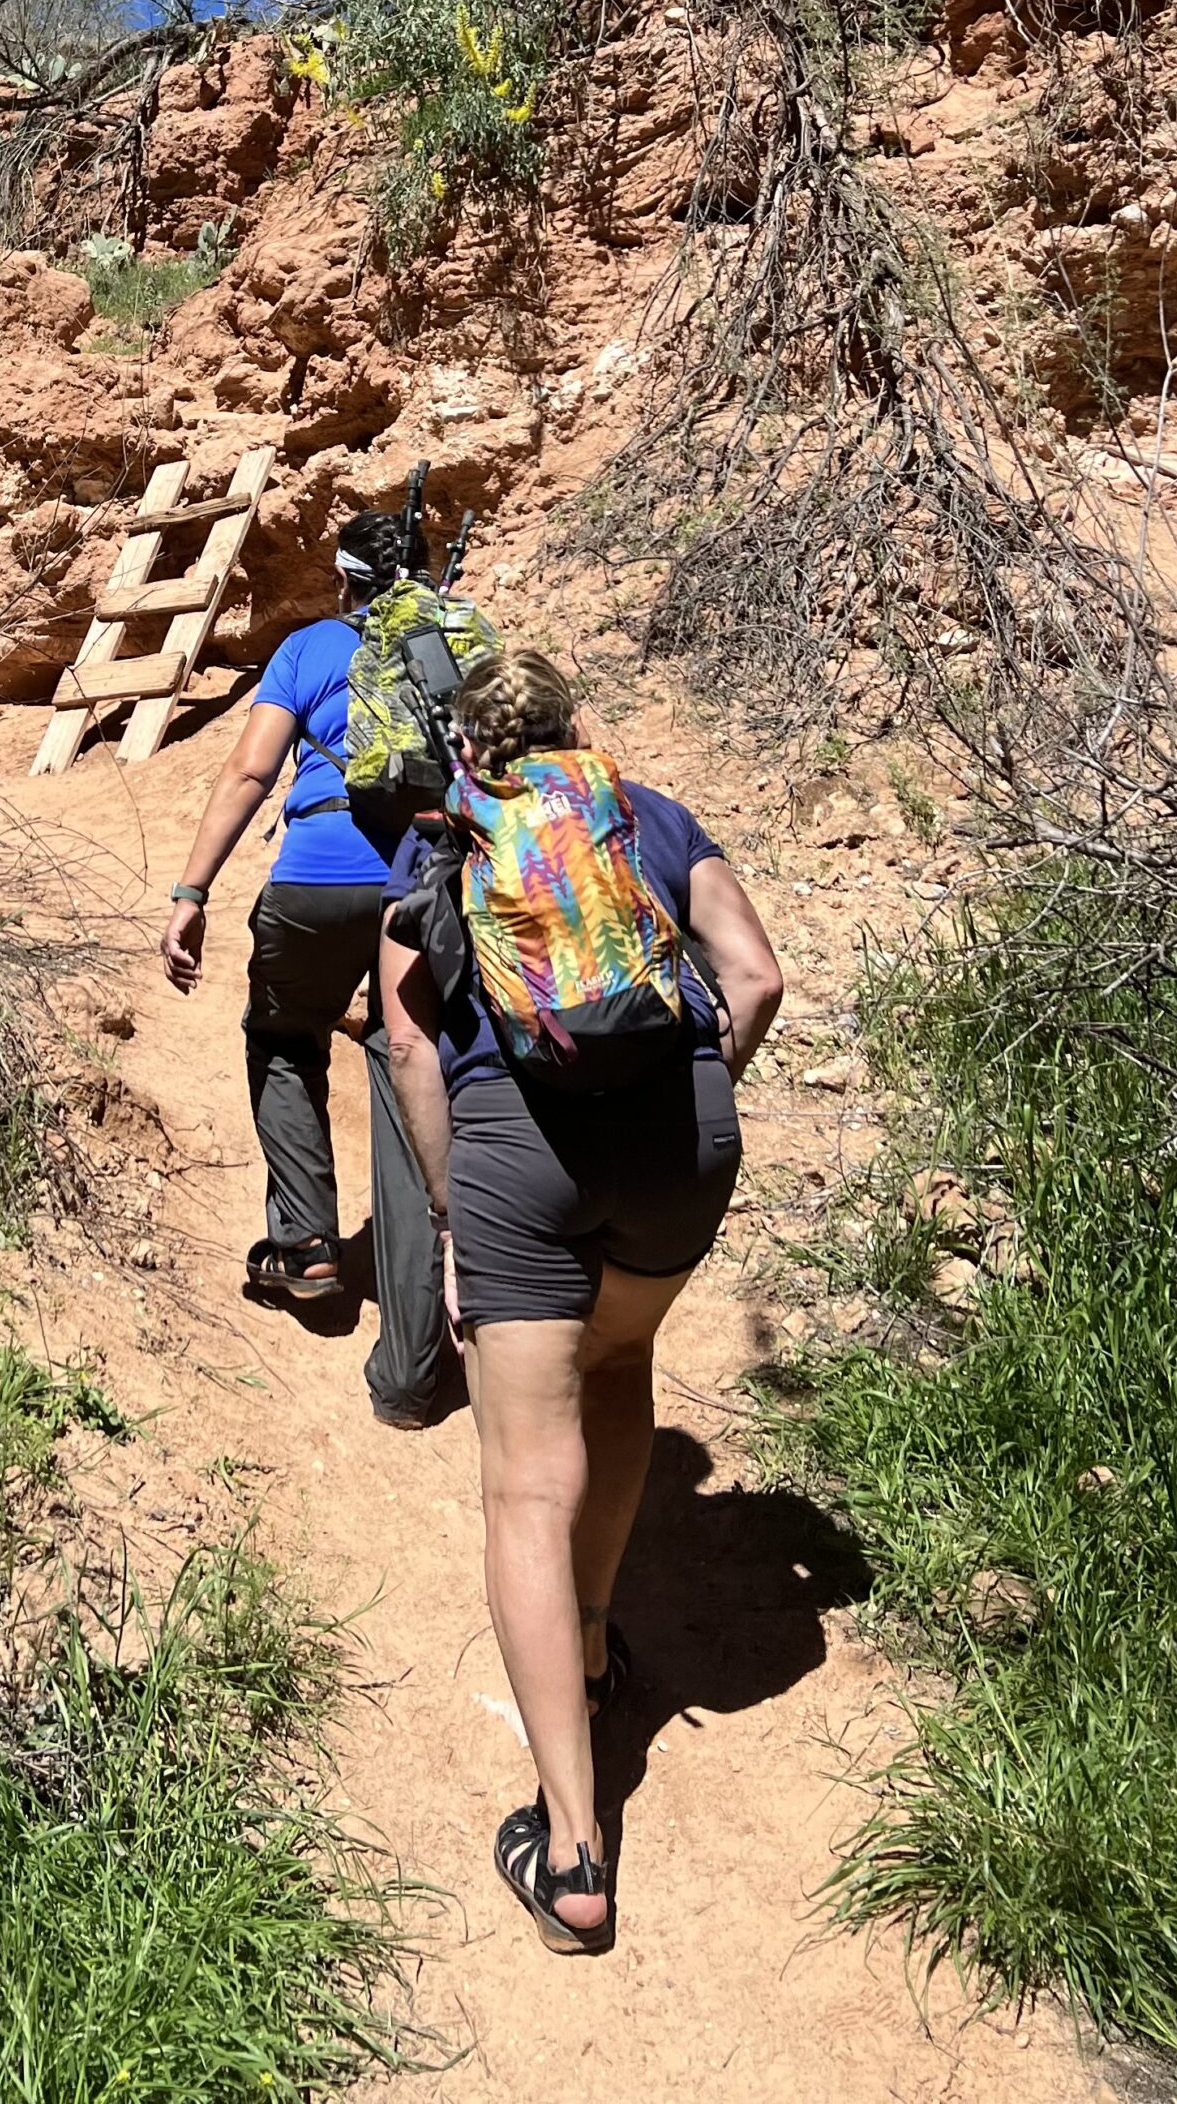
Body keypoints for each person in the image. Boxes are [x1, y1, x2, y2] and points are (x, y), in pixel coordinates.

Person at [378, 648, 783, 1953]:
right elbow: (759, 976)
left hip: (515, 1157)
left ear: (470, 751)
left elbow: (401, 1036)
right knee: (619, 1371)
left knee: (523, 1488)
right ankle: (600, 1648)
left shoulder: (448, 841)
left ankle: (572, 1848)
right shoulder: (646, 816)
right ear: (571, 728)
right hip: (680, 1152)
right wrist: (694, 1098)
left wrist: (449, 1218)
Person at [159, 511, 447, 1427]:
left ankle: (307, 1243)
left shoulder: (313, 646)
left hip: (317, 879)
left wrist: (192, 891)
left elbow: (250, 773)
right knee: (410, 1086)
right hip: (427, 889)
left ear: (346, 578)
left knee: (285, 1040)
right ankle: (409, 1371)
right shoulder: (452, 649)